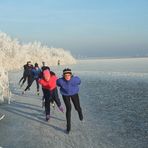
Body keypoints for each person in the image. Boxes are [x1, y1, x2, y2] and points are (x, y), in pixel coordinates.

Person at [57, 68, 83, 133]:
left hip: (74, 93)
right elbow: (58, 83)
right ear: (63, 76)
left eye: (69, 75)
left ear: (71, 75)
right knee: (69, 108)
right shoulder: (60, 81)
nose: (67, 77)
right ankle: (68, 126)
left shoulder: (75, 80)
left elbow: (79, 81)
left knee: (77, 107)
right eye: (65, 75)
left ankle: (80, 112)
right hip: (65, 95)